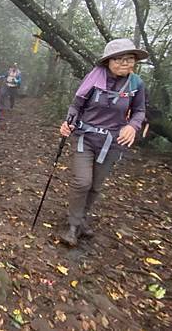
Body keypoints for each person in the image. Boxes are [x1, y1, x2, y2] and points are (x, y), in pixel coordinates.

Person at [58, 38, 148, 246]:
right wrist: (68, 123)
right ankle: (73, 226)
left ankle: (81, 220)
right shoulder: (93, 79)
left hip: (112, 142)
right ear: (108, 61)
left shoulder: (136, 84)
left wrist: (132, 126)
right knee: (82, 182)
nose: (125, 63)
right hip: (86, 137)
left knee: (96, 186)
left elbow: (140, 111)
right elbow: (76, 106)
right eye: (119, 59)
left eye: (130, 59)